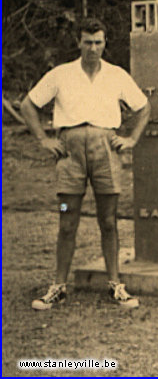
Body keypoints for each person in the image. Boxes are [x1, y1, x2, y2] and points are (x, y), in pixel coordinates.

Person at [20, 17, 150, 311]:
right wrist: (43, 139)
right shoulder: (61, 74)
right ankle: (58, 286)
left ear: (105, 43)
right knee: (67, 220)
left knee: (108, 220)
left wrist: (131, 139)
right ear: (79, 42)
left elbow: (143, 107)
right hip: (70, 154)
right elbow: (28, 105)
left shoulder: (117, 75)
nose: (93, 48)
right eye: (88, 42)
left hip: (106, 151)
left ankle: (116, 285)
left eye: (98, 42)